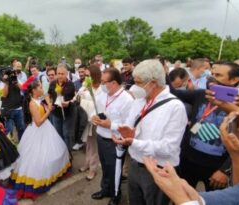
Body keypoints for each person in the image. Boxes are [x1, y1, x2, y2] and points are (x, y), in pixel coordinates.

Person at [112, 59, 188, 205]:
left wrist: (134, 142)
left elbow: (168, 148)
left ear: (153, 83)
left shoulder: (175, 107)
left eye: (139, 82)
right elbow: (130, 125)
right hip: (135, 164)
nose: (134, 87)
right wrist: (125, 134)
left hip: (158, 170)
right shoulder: (139, 101)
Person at [143, 110, 239, 205]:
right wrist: (192, 197)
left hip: (214, 167)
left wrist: (181, 198)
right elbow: (238, 193)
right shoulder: (201, 95)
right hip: (190, 162)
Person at [170, 62, 239, 192]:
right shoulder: (201, 94)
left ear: (234, 80)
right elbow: (173, 92)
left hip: (216, 170)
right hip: (188, 162)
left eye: (219, 75)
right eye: (212, 74)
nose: (212, 78)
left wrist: (225, 171)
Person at [10, 80, 71, 200]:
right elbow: (38, 122)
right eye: (39, 87)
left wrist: (48, 102)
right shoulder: (32, 103)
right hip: (38, 130)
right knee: (36, 157)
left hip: (47, 129)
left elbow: (48, 97)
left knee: (56, 151)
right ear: (33, 90)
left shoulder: (39, 99)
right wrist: (48, 111)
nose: (42, 89)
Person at [91, 68, 134, 205]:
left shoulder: (127, 100)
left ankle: (116, 196)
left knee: (115, 170)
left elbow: (129, 124)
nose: (101, 84)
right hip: (100, 136)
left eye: (104, 82)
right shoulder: (104, 93)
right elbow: (95, 108)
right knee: (104, 166)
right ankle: (105, 189)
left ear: (114, 83)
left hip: (115, 141)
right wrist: (93, 116)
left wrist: (111, 125)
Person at [77, 65, 102, 180]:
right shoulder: (85, 86)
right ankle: (87, 163)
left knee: (94, 146)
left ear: (95, 76)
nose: (85, 78)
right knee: (88, 144)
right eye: (85, 75)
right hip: (86, 119)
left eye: (88, 76)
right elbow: (78, 96)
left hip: (95, 121)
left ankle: (93, 168)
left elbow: (98, 105)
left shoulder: (101, 89)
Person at [48, 63, 77, 150]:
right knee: (58, 134)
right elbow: (48, 95)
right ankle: (60, 154)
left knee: (66, 134)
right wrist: (49, 103)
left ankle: (68, 155)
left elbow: (75, 98)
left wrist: (68, 102)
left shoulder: (71, 84)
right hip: (56, 113)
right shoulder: (53, 83)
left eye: (62, 74)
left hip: (68, 114)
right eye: (58, 73)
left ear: (66, 74)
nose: (60, 76)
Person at [0, 67, 26, 141]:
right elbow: (4, 95)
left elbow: (23, 90)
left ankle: (21, 144)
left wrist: (16, 81)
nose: (11, 75)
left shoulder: (16, 80)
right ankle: (8, 147)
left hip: (18, 109)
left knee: (21, 128)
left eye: (12, 73)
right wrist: (6, 83)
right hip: (8, 110)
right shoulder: (3, 82)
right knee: (8, 129)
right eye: (9, 74)